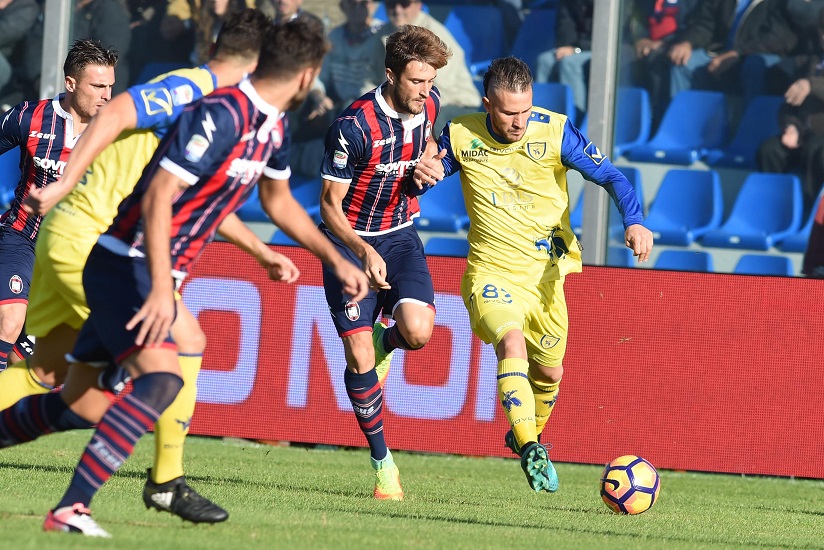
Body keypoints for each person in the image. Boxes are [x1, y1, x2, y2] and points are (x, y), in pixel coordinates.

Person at [0, 19, 367, 538]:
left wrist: (329, 256)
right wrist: (157, 285)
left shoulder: (270, 125)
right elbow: (152, 180)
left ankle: (154, 481)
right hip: (112, 249)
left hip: (101, 246)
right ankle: (124, 492)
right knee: (168, 368)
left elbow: (265, 198)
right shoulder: (210, 101)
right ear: (306, 76)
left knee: (75, 398)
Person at [413, 56, 653, 492]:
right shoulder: (462, 134)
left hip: (546, 278)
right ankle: (529, 446)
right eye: (507, 112)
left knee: (550, 374)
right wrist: (423, 172)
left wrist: (634, 220)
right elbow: (428, 173)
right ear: (487, 104)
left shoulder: (556, 131)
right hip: (491, 271)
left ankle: (525, 433)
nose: (519, 122)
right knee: (510, 341)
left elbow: (614, 178)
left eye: (525, 110)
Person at [318, 24, 449, 501]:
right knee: (358, 357)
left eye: (430, 82)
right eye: (416, 81)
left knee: (417, 332)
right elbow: (328, 207)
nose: (425, 91)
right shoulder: (352, 127)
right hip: (348, 245)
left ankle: (385, 338)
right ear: (391, 74)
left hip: (400, 236)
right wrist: (362, 251)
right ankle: (383, 465)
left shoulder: (429, 107)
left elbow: (426, 152)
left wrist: (428, 167)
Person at [0, 39, 117, 372]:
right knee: (9, 320)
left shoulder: (116, 133)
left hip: (76, 251)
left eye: (110, 85)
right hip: (22, 238)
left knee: (36, 355)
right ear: (71, 83)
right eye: (97, 86)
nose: (107, 95)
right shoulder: (28, 117)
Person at [665, 0, 800, 107]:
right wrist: (688, 42)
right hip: (721, 52)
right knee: (683, 62)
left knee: (754, 66)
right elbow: (705, 24)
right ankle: (684, 124)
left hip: (760, 54)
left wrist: (738, 53)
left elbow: (779, 37)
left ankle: (751, 127)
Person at [376, 0, 480, 135]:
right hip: (407, 100)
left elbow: (436, 91)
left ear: (418, 4)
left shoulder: (434, 36)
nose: (397, 9)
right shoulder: (382, 33)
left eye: (404, 3)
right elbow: (369, 76)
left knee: (423, 125)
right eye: (391, 4)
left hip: (455, 103)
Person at [534, 0, 593, 122]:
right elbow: (565, 26)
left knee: (570, 63)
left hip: (598, 49)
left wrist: (577, 48)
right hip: (575, 47)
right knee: (544, 60)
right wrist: (567, 47)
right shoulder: (570, 3)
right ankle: (540, 118)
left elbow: (606, 38)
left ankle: (575, 120)